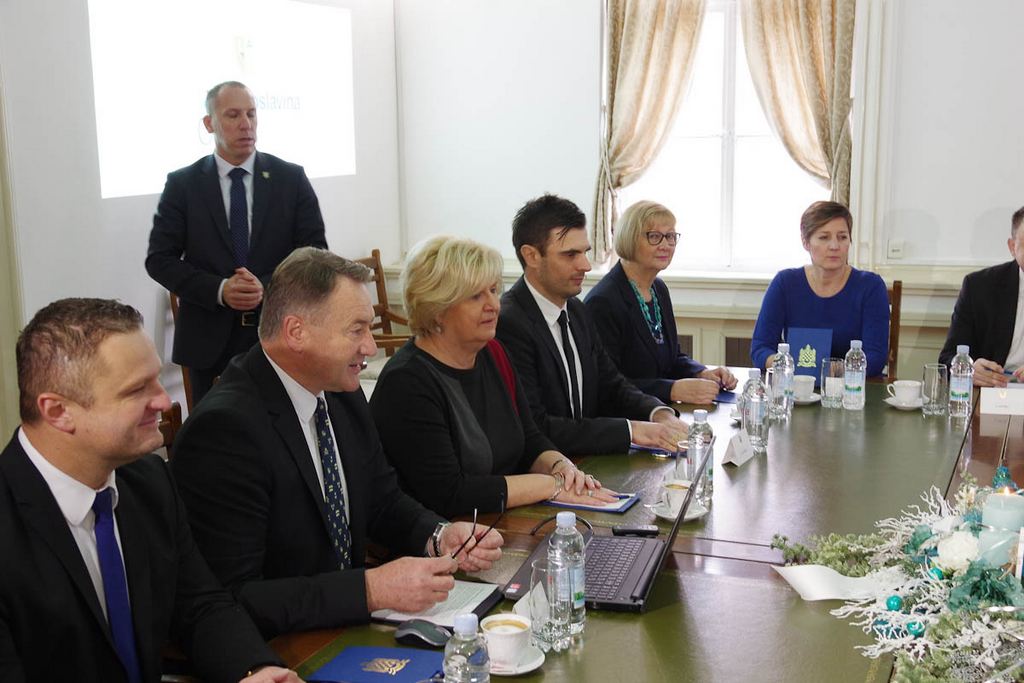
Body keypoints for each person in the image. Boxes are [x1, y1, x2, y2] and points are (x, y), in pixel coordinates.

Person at [171, 247, 503, 639]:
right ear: (297, 332)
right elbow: (232, 598)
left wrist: (439, 535)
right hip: (279, 646)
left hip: (343, 625)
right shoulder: (225, 431)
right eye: (356, 330)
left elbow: (382, 500)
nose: (371, 347)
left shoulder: (339, 391)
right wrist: (369, 590)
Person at [0, 298, 299, 683]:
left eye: (156, 378)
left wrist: (255, 669)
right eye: (137, 389)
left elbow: (200, 605)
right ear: (58, 412)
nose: (162, 400)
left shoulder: (148, 481)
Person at [369, 236, 616, 519]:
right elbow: (449, 494)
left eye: (494, 290)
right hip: (448, 533)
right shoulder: (407, 382)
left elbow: (530, 437)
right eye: (476, 296)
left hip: (501, 521)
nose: (494, 305)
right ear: (436, 310)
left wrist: (561, 467)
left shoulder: (493, 352)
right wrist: (552, 486)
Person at [146, 80, 328, 404]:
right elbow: (160, 260)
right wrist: (220, 289)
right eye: (233, 115)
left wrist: (266, 287)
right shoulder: (183, 185)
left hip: (278, 333)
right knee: (215, 429)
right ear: (209, 123)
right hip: (207, 342)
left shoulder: (290, 178)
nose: (246, 124)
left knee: (279, 426)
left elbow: (314, 254)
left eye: (251, 114)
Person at [496, 194, 689, 456]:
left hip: (586, 458)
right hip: (546, 468)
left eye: (585, 252)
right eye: (570, 255)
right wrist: (631, 430)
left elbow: (612, 384)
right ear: (531, 256)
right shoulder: (509, 323)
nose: (585, 265)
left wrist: (658, 412)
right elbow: (537, 427)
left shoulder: (576, 310)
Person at [584, 201, 737, 404]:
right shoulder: (603, 302)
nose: (665, 245)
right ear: (629, 238)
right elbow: (607, 385)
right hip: (629, 415)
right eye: (654, 236)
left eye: (670, 236)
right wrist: (671, 390)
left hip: (660, 409)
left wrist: (701, 372)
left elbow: (671, 358)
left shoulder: (658, 289)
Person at [750, 201, 889, 376]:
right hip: (796, 384)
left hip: (852, 387)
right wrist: (788, 365)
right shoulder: (785, 283)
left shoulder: (871, 286)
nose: (835, 246)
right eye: (824, 237)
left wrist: (826, 370)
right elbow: (760, 349)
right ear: (805, 242)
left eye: (842, 237)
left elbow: (876, 357)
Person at [939, 206, 1024, 386]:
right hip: (994, 390)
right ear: (1012, 247)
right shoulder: (979, 287)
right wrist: (968, 370)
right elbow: (947, 359)